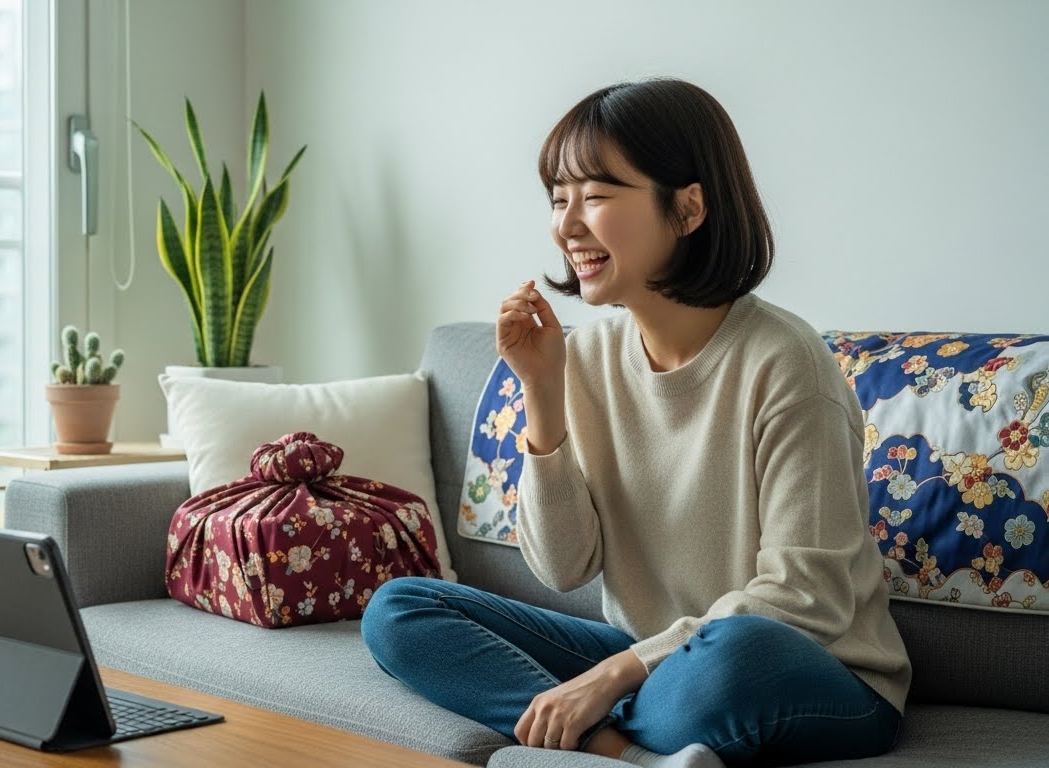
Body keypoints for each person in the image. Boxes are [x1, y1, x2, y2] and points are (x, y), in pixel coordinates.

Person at [360, 78, 912, 768]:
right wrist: (541, 390)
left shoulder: (784, 361)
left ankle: (603, 732)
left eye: (593, 195)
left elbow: (807, 598)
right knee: (400, 609)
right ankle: (621, 754)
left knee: (730, 657)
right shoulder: (582, 357)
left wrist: (615, 673)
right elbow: (563, 568)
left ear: (687, 208)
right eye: (557, 199)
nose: (566, 226)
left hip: (808, 670)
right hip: (657, 660)